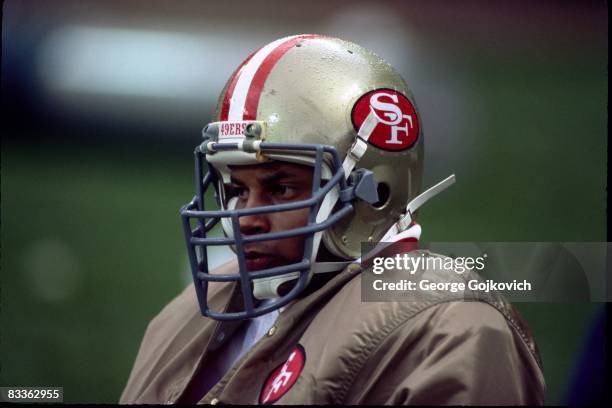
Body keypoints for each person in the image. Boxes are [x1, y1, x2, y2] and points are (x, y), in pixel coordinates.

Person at [119, 34, 545, 405]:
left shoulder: (448, 332)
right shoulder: (187, 313)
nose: (244, 219)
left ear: (375, 191)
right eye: (236, 189)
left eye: (280, 188)